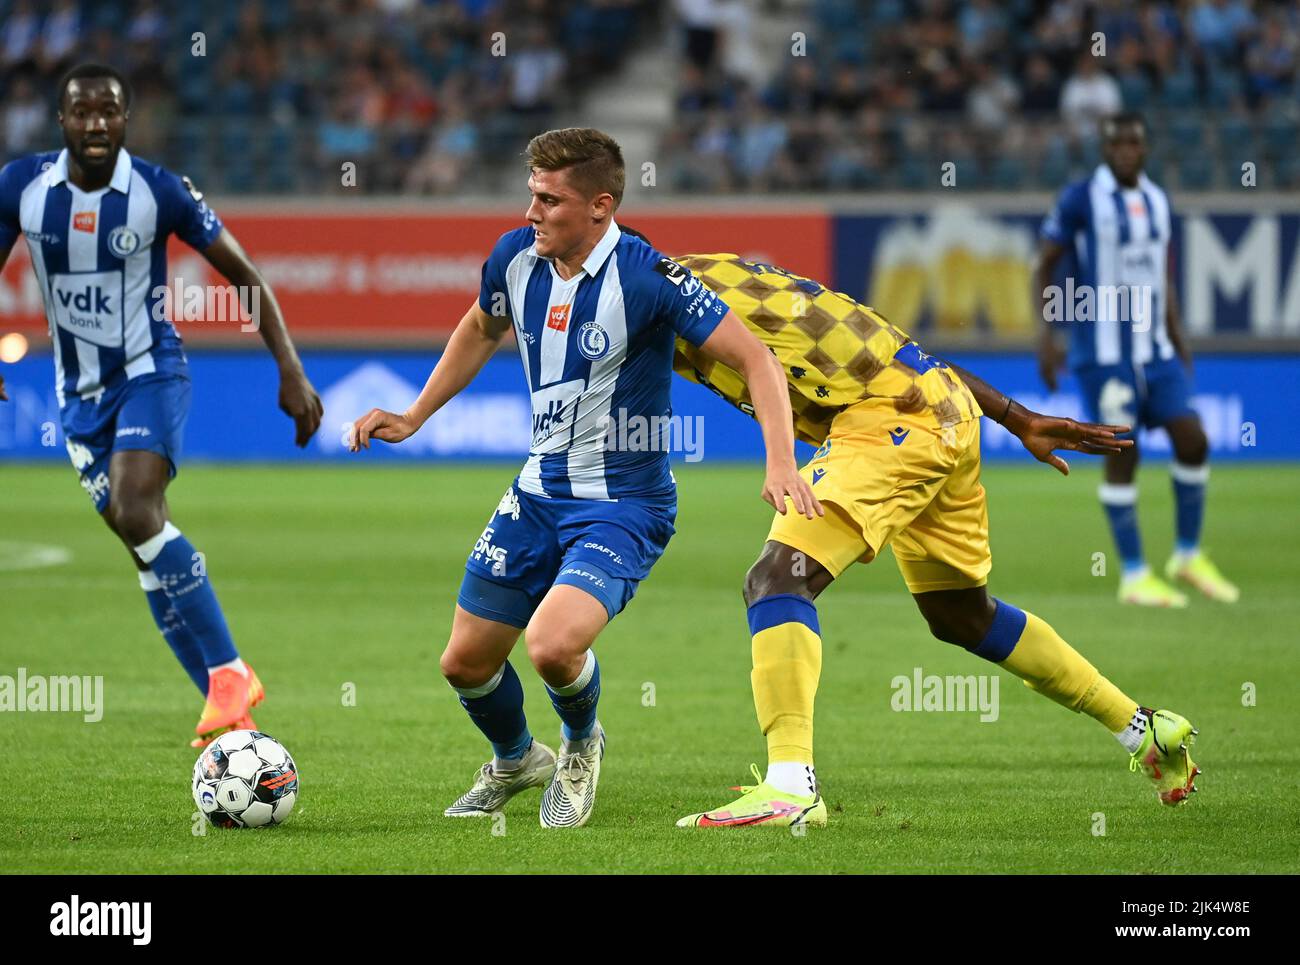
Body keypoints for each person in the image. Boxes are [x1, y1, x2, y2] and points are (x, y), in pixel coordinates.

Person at [347, 128, 817, 829]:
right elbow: (480, 327)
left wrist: (780, 458)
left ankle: (578, 743)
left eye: (548, 198)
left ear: (600, 206)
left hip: (624, 504)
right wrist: (416, 414)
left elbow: (758, 361)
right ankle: (516, 758)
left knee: (552, 644)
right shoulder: (515, 256)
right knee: (464, 663)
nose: (530, 211)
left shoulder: (649, 276)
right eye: (529, 193)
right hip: (538, 493)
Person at [660, 248, 1199, 827]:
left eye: (548, 204)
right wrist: (1017, 418)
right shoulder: (711, 276)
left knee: (777, 578)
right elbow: (896, 348)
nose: (541, 219)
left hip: (894, 421)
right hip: (944, 407)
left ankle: (791, 787)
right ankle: (1143, 728)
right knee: (962, 616)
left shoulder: (657, 294)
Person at [0, 63, 323, 747]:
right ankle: (227, 715)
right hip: (78, 398)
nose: (96, 124)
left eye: (109, 112)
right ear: (60, 121)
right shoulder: (21, 187)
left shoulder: (159, 191)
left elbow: (246, 277)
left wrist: (289, 370)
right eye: (82, 112)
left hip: (152, 371)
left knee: (136, 507)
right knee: (144, 550)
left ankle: (231, 672)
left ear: (126, 119)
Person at [1036, 111, 1238, 607]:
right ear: (1106, 150)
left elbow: (1159, 277)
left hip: (1157, 350)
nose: (1128, 150)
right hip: (1103, 353)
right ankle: (1133, 574)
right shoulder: (1081, 198)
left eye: (1135, 143)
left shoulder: (1157, 200)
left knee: (1193, 440)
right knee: (1124, 451)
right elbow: (1043, 263)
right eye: (1118, 143)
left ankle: (1187, 557)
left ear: (1145, 148)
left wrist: (1177, 333)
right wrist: (1046, 334)